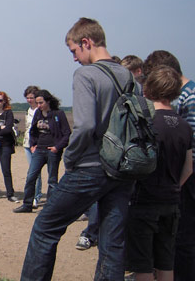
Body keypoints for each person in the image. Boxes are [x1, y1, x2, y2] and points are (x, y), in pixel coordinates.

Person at [21, 17, 137, 281]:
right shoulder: (129, 77)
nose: (74, 58)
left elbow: (85, 126)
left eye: (74, 50)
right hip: (122, 170)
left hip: (91, 167)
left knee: (45, 227)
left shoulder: (86, 74)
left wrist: (70, 159)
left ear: (87, 42)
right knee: (112, 240)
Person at [124, 66, 193, 281]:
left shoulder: (146, 122)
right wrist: (175, 187)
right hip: (172, 201)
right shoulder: (184, 125)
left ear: (148, 89)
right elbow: (189, 167)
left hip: (144, 200)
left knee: (143, 264)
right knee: (166, 261)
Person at [143, 50, 195, 281]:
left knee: (184, 238)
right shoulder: (184, 95)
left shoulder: (190, 96)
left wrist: (176, 183)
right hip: (180, 179)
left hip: (186, 180)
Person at [14, 89, 70, 213]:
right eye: (37, 103)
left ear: (48, 101)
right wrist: (33, 144)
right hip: (39, 150)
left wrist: (57, 147)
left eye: (41, 102)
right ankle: (27, 204)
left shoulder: (58, 114)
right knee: (31, 176)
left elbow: (67, 133)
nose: (38, 105)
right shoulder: (38, 113)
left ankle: (50, 208)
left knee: (52, 180)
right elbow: (33, 130)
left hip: (53, 151)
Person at [22, 85, 44, 208]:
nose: (30, 100)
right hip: (27, 143)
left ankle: (36, 197)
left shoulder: (40, 111)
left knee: (35, 171)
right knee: (31, 171)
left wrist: (36, 144)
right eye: (28, 98)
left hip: (37, 144)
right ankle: (32, 195)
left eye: (32, 97)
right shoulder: (28, 111)